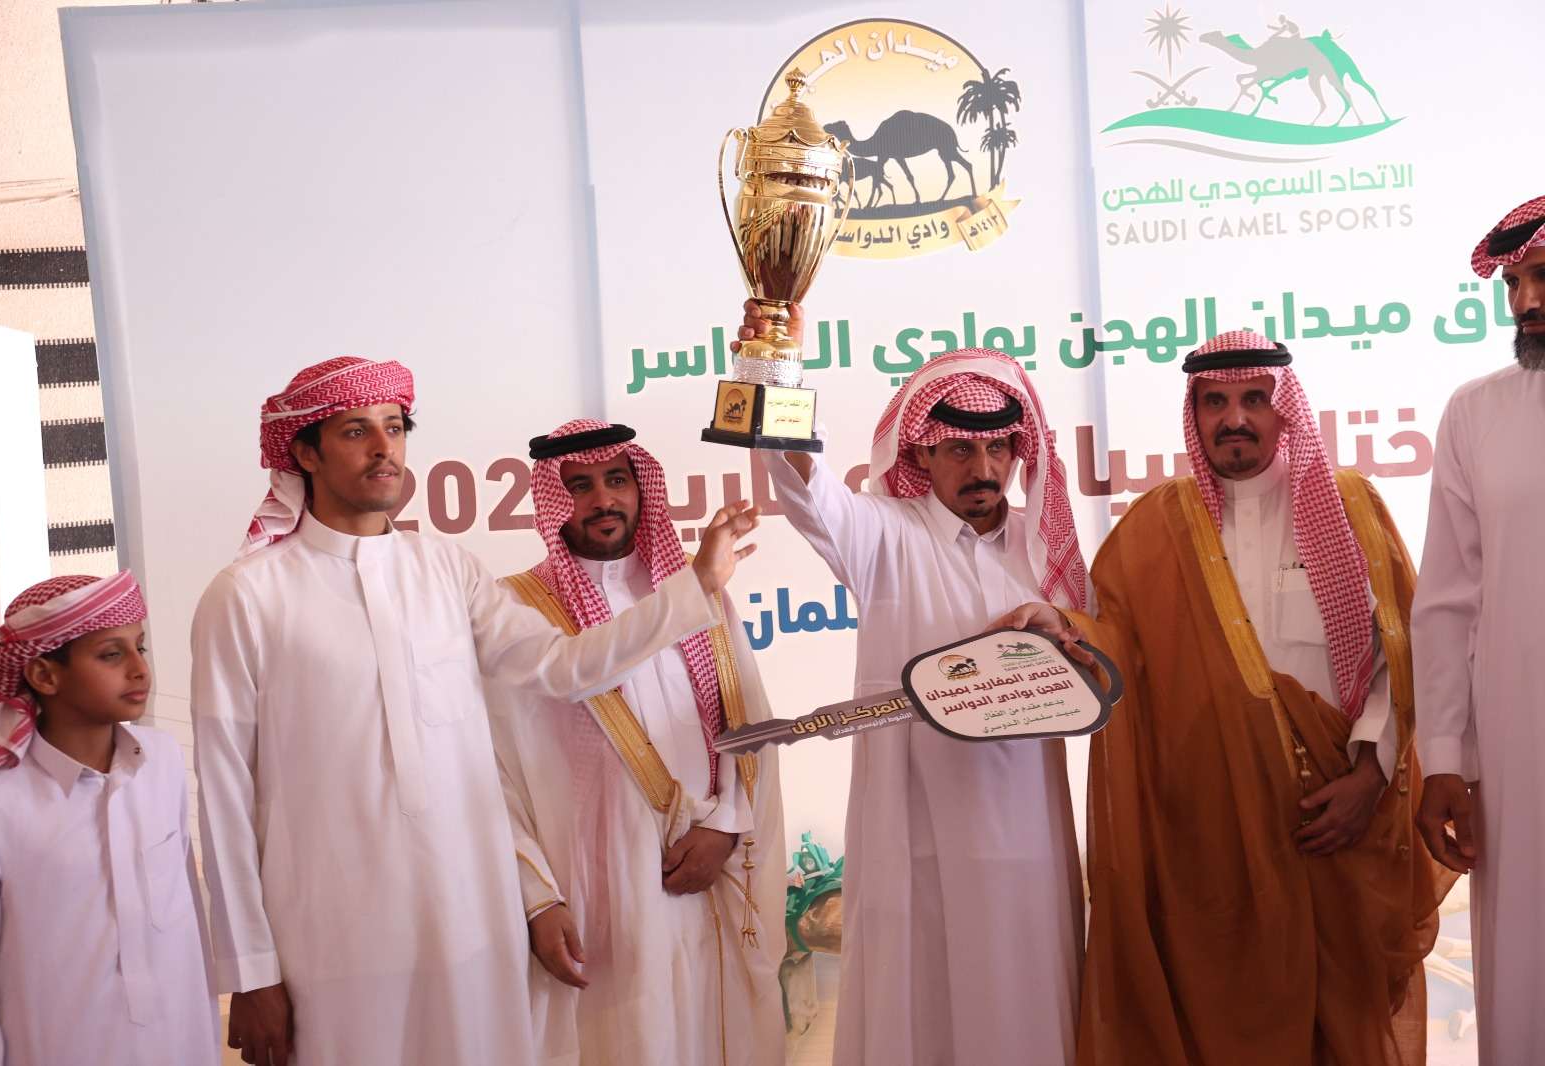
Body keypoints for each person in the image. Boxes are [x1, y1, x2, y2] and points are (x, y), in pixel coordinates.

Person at [191, 357, 759, 1066]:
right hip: (331, 929)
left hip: (472, 919)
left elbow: (565, 667)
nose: (384, 449)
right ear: (305, 453)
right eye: (356, 432)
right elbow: (223, 794)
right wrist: (251, 972)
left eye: (395, 428)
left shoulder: (447, 569)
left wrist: (696, 585)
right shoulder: (246, 595)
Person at [1010, 330, 1450, 1065]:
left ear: (1285, 411)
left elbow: (1400, 655)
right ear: (1195, 414)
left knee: (1341, 1027)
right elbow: (1117, 645)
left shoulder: (1351, 509)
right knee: (1222, 1020)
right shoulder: (1153, 526)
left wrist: (1371, 777)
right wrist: (1066, 627)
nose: (1234, 418)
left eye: (1253, 399)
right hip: (1209, 837)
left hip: (1333, 823)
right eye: (1214, 402)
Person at [740, 302, 1090, 1065]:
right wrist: (776, 371)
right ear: (923, 453)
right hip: (916, 828)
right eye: (960, 448)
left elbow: (1092, 673)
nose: (984, 468)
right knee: (921, 997)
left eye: (999, 447)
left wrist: (1064, 630)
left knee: (1025, 993)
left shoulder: (1044, 548)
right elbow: (802, 485)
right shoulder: (882, 533)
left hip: (1027, 826)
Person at [491, 419, 787, 1066]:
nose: (603, 500)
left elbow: (746, 721)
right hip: (601, 889)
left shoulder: (697, 592)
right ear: (553, 500)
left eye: (616, 480)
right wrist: (536, 897)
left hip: (710, 873)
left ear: (640, 487)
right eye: (580, 486)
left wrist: (726, 826)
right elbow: (494, 775)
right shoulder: (516, 612)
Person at [0, 572, 217, 1066]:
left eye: (140, 648)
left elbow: (188, 917)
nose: (139, 669)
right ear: (44, 676)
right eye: (111, 655)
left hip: (177, 1040)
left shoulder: (162, 762)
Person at [1413, 193, 1545, 1063]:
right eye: (1516, 284)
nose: (1528, 303)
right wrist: (1444, 759)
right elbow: (1447, 602)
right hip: (1519, 746)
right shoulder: (1475, 411)